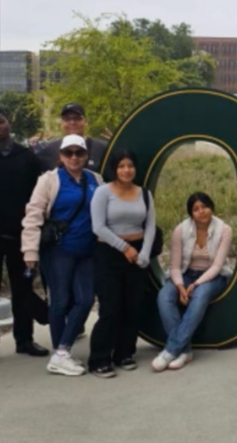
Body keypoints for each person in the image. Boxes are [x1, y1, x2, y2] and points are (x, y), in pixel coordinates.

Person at [0, 106, 50, 370]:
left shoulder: (27, 157)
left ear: (9, 122)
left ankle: (24, 339)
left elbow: (41, 193)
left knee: (24, 288)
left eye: (0, 121)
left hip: (22, 239)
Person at [22, 135, 104, 376]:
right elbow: (34, 214)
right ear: (61, 156)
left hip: (87, 250)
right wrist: (30, 250)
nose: (74, 157)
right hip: (58, 250)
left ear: (86, 155)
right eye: (69, 153)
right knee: (59, 301)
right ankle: (62, 352)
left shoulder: (95, 180)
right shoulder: (49, 180)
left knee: (86, 299)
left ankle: (61, 353)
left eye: (79, 152)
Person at [88, 150, 156, 378]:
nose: (126, 170)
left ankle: (124, 353)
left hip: (137, 256)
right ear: (114, 169)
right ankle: (99, 358)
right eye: (121, 166)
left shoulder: (144, 194)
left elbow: (150, 226)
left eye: (130, 166)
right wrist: (124, 248)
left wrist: (144, 252)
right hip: (109, 254)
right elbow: (98, 227)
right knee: (110, 308)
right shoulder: (102, 192)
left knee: (133, 306)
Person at [152, 192, 233, 371]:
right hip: (185, 274)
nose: (201, 212)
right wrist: (181, 287)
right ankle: (185, 350)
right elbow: (174, 266)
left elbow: (217, 266)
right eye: (196, 209)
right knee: (164, 296)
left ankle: (170, 350)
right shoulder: (181, 230)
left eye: (204, 207)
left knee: (200, 295)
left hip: (213, 276)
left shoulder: (224, 230)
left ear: (211, 207)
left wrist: (195, 285)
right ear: (190, 213)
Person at [36, 103, 109, 173]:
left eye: (77, 118)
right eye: (67, 119)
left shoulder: (102, 148)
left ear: (85, 121)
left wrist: (118, 144)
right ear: (61, 123)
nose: (72, 122)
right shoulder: (49, 150)